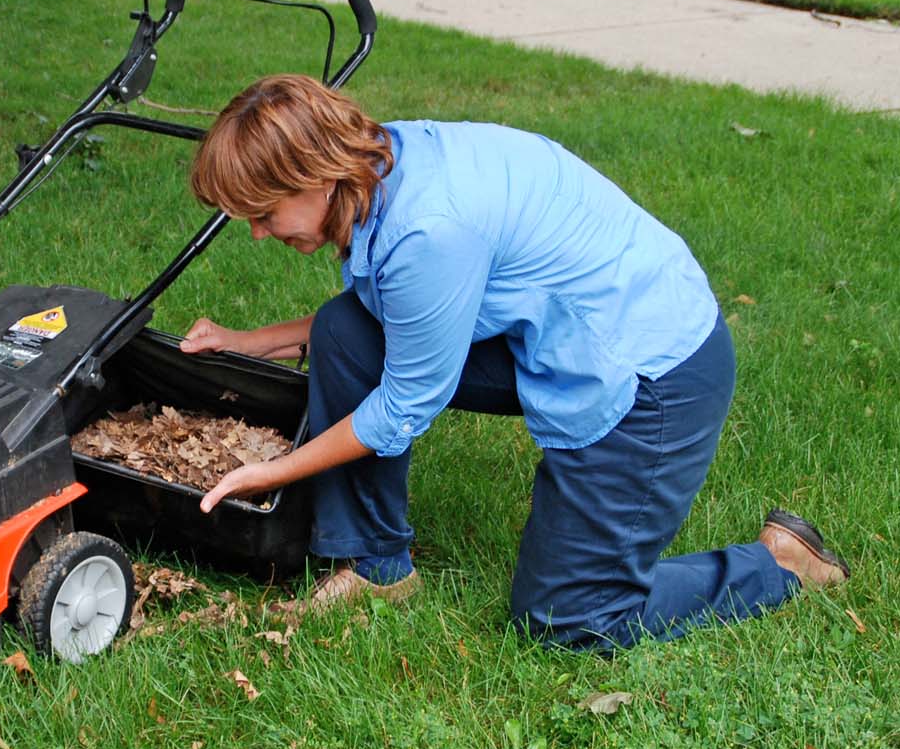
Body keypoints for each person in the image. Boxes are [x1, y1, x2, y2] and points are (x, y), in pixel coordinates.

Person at [181, 74, 848, 650]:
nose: (259, 233)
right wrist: (250, 340)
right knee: (345, 331)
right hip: (572, 338)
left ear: (316, 174)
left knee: (567, 617)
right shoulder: (379, 160)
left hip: (651, 377)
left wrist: (272, 471)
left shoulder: (428, 226)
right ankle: (379, 567)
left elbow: (402, 407)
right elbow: (404, 311)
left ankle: (780, 565)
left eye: (265, 214)